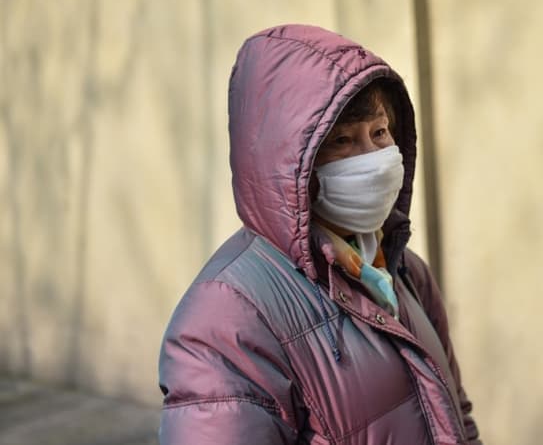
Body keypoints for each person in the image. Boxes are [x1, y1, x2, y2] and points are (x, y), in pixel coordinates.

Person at [158, 24, 481, 445]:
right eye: (344, 140)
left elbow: (455, 413)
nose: (374, 159)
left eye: (380, 133)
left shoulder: (404, 273)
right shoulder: (225, 319)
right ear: (290, 163)